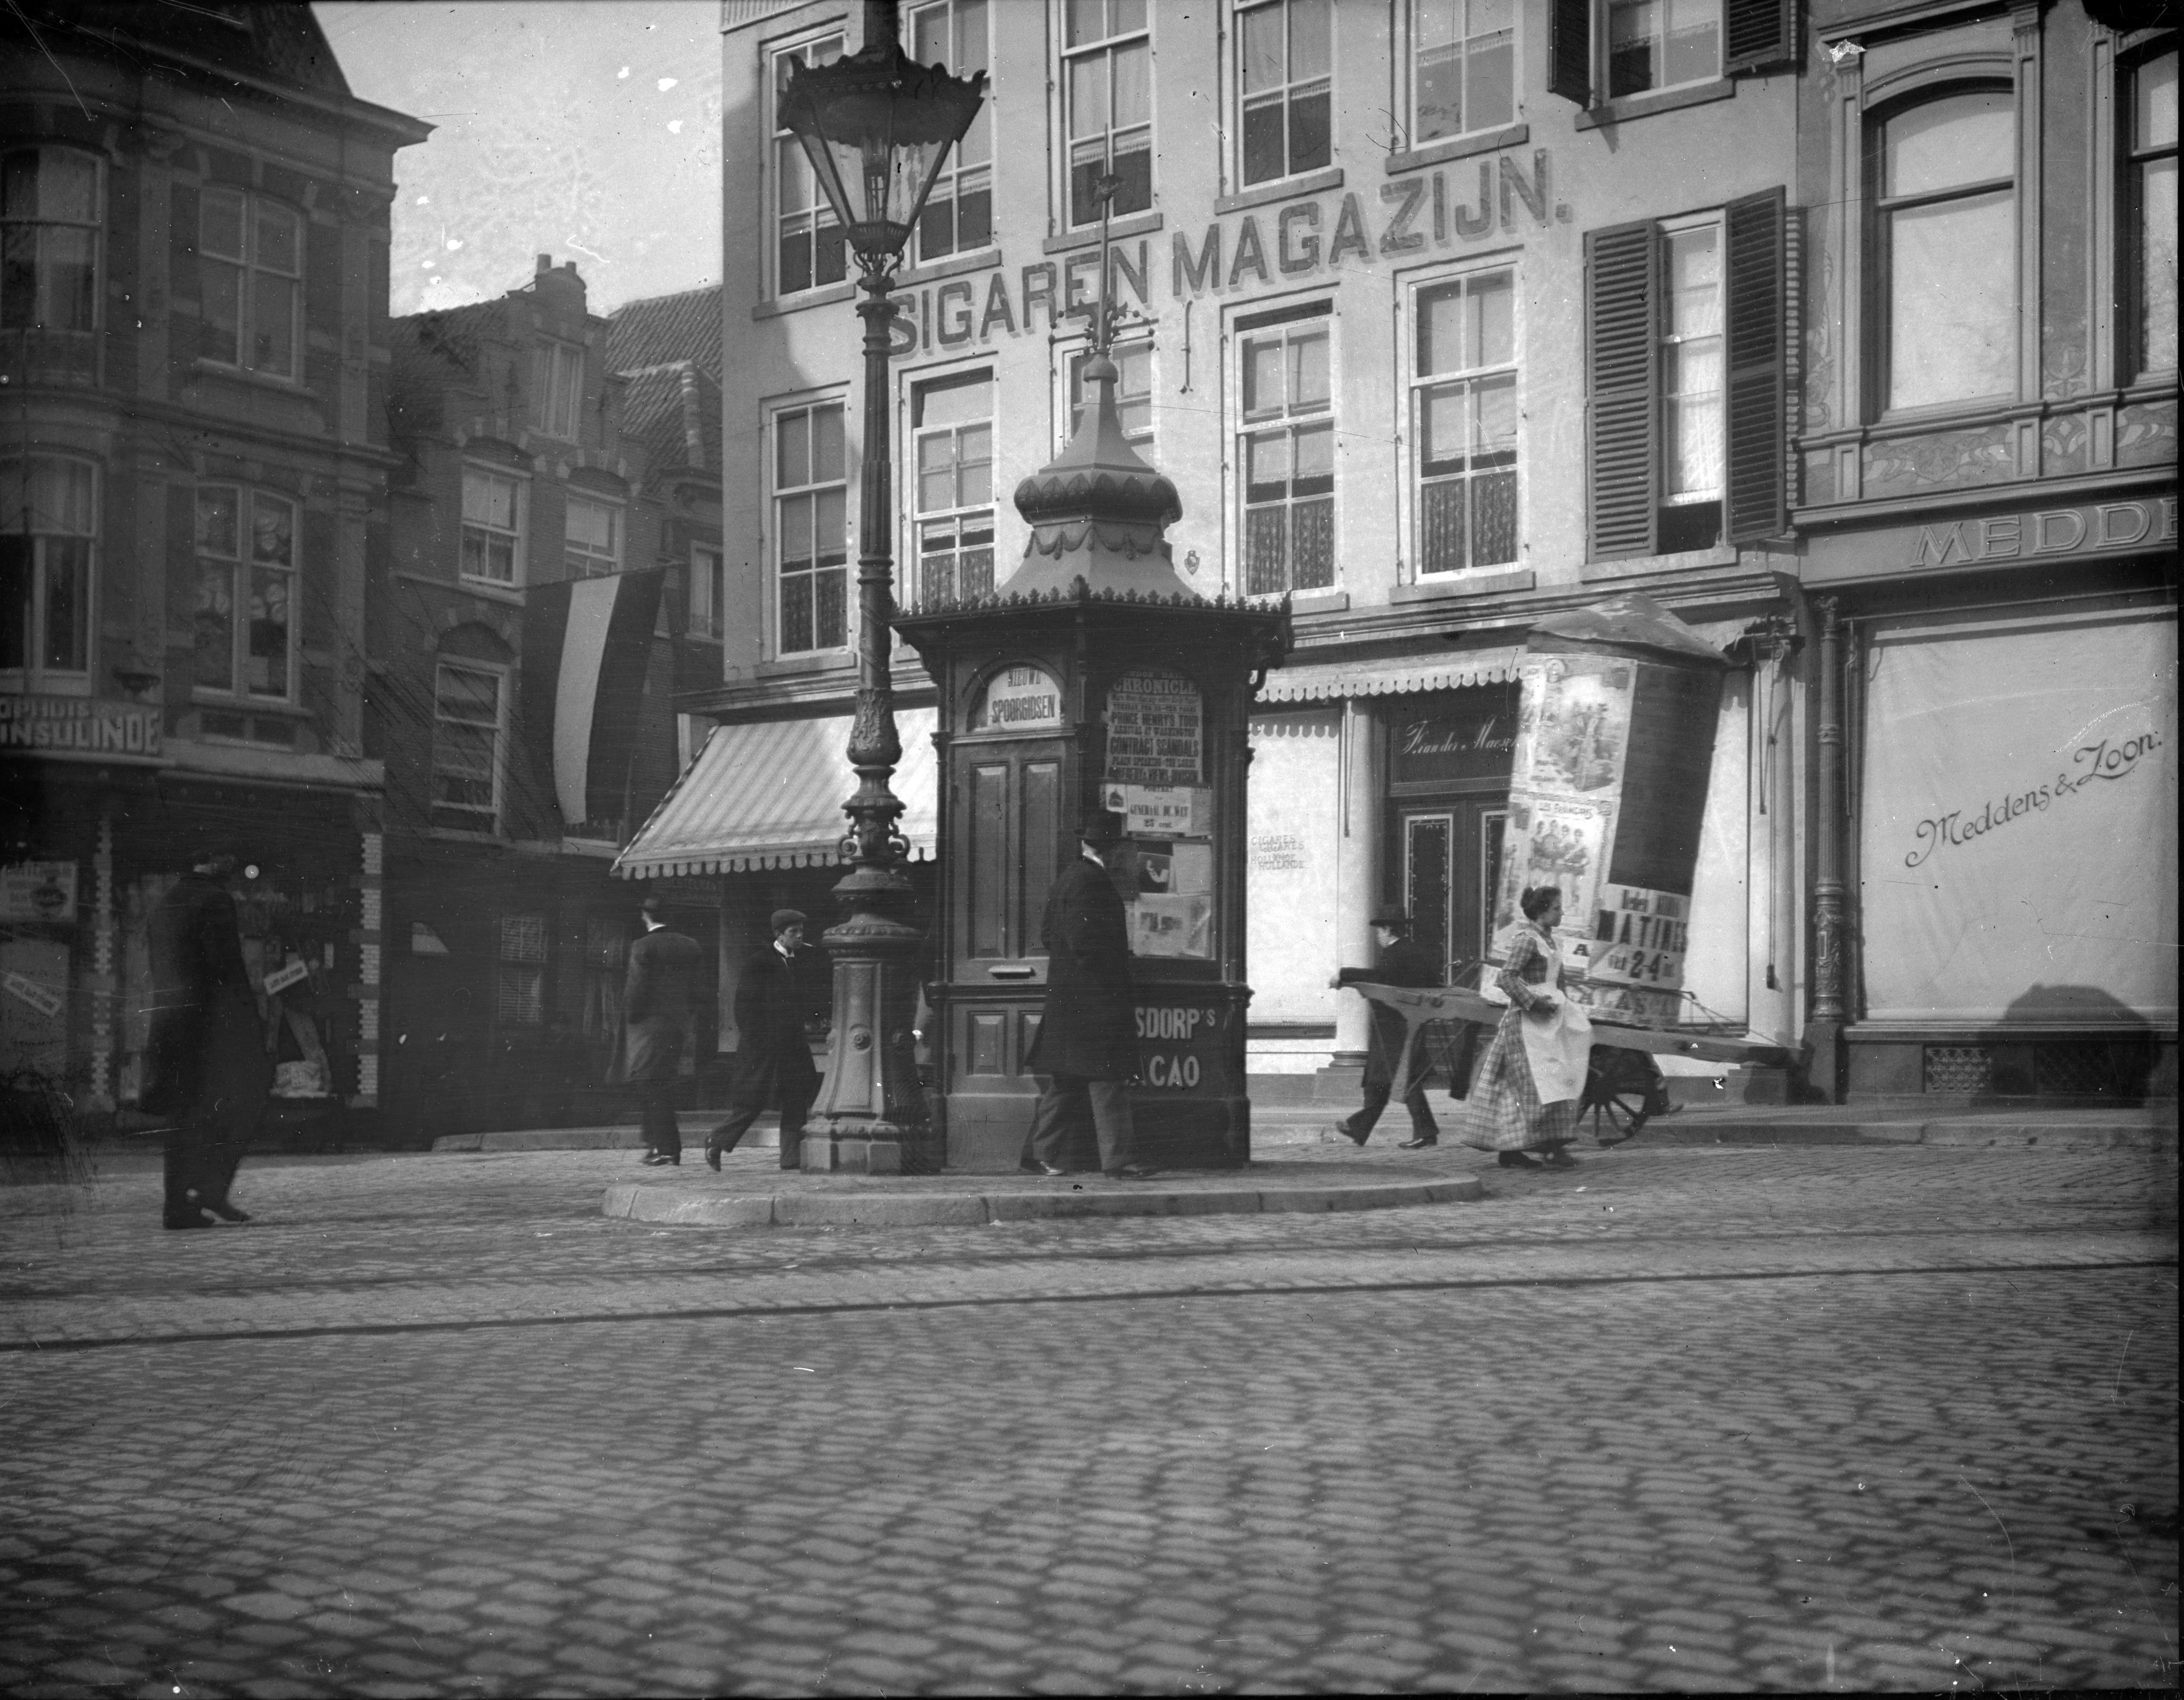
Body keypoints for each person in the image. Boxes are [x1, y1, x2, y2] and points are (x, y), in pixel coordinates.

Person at [1022, 808, 1157, 1179]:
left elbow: (1051, 935)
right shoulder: (1091, 882)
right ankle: (1120, 1160)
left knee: (1067, 1082)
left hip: (1072, 1002)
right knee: (1107, 1079)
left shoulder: (1069, 878)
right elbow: (1086, 942)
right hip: (1094, 1001)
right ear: (1113, 851)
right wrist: (1113, 972)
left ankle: (1040, 1153)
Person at [140, 851, 271, 1229]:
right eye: (226, 856)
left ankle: (179, 1205)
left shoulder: (166, 901)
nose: (232, 863)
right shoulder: (216, 900)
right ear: (211, 860)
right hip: (213, 1028)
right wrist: (251, 1023)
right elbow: (226, 970)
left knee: (183, 1116)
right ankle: (210, 1190)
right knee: (246, 1100)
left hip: (171, 1024)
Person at [1455, 885, 1593, 1170]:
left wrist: (1565, 1009)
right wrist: (1533, 1002)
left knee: (1557, 1079)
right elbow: (1506, 978)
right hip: (1526, 1024)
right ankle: (1511, 1150)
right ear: (1542, 911)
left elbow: (1558, 982)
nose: (1562, 912)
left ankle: (1553, 1147)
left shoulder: (1550, 941)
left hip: (1552, 1021)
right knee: (1528, 1085)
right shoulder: (1527, 940)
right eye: (1557, 908)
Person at [706, 909, 828, 1171]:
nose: (799, 936)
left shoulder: (803, 960)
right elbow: (744, 1008)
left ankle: (791, 1158)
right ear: (778, 935)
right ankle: (717, 1141)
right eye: (793, 932)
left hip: (793, 1046)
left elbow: (809, 999)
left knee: (796, 1099)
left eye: (801, 932)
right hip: (763, 1047)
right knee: (752, 1101)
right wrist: (759, 1040)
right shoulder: (759, 962)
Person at [1329, 905, 1446, 1148]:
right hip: (1398, 1027)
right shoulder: (1415, 951)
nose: (1377, 936)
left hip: (1395, 1028)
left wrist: (1344, 975)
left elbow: (1380, 978)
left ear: (1388, 930)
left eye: (1379, 931)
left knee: (1405, 1077)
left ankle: (1426, 1132)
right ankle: (1358, 1128)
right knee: (1378, 1079)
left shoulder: (1397, 954)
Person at [620, 894, 704, 1167]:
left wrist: (631, 1018)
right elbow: (698, 989)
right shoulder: (691, 946)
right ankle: (657, 1144)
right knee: (658, 1084)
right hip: (679, 1026)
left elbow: (637, 988)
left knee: (650, 1085)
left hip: (649, 1028)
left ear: (646, 916)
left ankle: (666, 1148)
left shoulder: (643, 946)